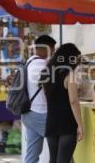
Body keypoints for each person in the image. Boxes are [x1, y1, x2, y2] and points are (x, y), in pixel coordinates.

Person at [39, 43, 84, 163]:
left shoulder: (46, 73)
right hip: (67, 123)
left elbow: (47, 97)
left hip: (51, 121)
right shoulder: (70, 74)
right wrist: (80, 125)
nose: (78, 62)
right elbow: (73, 101)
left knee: (53, 160)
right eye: (77, 58)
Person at [22, 35, 56, 163]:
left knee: (32, 154)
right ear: (46, 48)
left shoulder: (29, 62)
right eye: (52, 49)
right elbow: (51, 90)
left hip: (28, 113)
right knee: (61, 151)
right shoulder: (42, 65)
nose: (52, 52)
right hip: (41, 113)